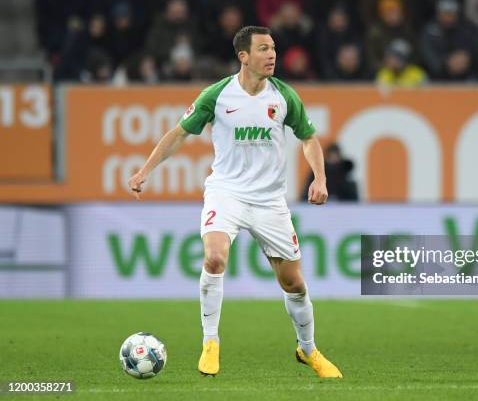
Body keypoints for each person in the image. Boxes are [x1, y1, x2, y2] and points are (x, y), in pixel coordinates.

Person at [127, 26, 342, 378]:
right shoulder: (217, 95)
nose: (272, 55)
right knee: (214, 257)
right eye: (263, 49)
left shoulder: (284, 96)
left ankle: (308, 350)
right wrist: (144, 171)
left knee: (294, 284)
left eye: (273, 48)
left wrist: (320, 177)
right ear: (243, 56)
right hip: (226, 192)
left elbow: (309, 139)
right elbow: (179, 132)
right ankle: (210, 343)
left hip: (270, 200)